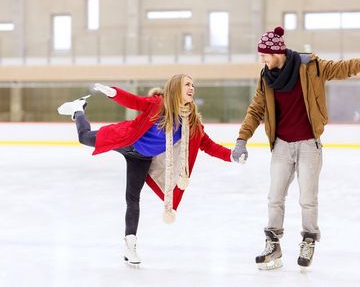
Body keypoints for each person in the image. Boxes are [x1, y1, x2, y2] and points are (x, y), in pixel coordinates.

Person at [231, 26, 360, 270]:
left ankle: (308, 240)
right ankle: (273, 244)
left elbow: (345, 68)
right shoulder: (266, 77)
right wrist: (242, 139)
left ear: (278, 52)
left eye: (264, 54)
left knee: (308, 199)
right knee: (274, 197)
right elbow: (256, 109)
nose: (261, 59)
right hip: (281, 145)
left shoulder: (310, 66)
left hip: (308, 145)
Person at [57, 74, 244, 266]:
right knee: (84, 137)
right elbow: (134, 102)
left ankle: (130, 245)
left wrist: (231, 155)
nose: (192, 88)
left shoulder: (192, 123)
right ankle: (78, 110)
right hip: (125, 139)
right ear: (175, 88)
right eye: (187, 84)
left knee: (132, 198)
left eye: (193, 85)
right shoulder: (158, 104)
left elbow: (209, 145)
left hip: (141, 158)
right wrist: (113, 92)